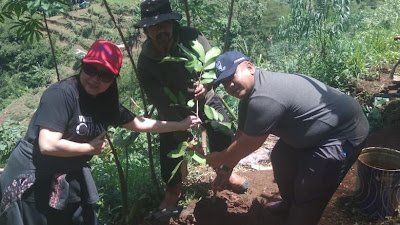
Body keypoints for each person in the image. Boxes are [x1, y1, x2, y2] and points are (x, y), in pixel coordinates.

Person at [0, 40, 201, 225]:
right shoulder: (62, 94)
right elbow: (47, 144)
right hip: (35, 179)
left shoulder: (105, 101)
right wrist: (88, 147)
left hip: (68, 173)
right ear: (82, 66)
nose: (95, 79)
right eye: (90, 69)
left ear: (114, 78)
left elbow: (140, 124)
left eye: (105, 75)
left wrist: (181, 124)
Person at [206, 51, 370, 225]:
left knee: (310, 190)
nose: (230, 85)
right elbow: (241, 135)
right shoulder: (248, 98)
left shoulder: (264, 97)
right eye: (224, 82)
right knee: (281, 158)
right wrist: (226, 168)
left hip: (342, 132)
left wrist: (219, 157)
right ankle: (288, 203)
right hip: (312, 130)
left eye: (232, 76)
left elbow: (249, 143)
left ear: (249, 67)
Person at [134, 0, 248, 212]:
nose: (161, 31)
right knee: (170, 152)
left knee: (222, 132)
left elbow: (214, 65)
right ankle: (173, 191)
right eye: (154, 27)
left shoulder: (191, 37)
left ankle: (225, 172)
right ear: (147, 31)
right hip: (173, 110)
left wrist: (205, 84)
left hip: (205, 100)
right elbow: (160, 100)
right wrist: (186, 134)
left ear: (172, 24)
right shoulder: (146, 62)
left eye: (165, 24)